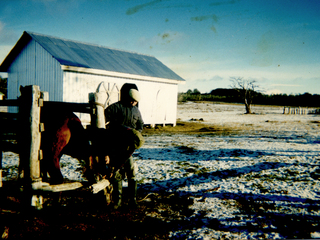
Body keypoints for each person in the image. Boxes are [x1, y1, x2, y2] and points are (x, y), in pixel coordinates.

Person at [104, 84, 144, 209]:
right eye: (132, 100)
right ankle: (118, 201)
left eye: (135, 101)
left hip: (129, 149)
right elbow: (102, 122)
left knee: (131, 173)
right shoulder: (115, 108)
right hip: (115, 147)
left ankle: (133, 200)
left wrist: (135, 134)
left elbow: (140, 125)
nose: (133, 102)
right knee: (116, 173)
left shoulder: (137, 111)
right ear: (127, 97)